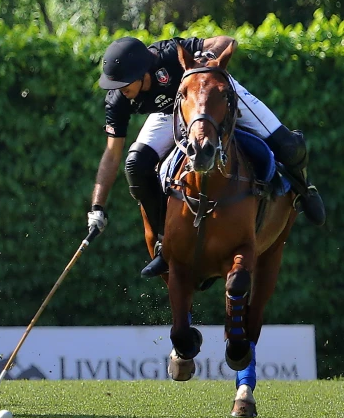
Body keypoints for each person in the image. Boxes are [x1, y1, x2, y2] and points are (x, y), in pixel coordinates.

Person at [87, 36, 326, 278]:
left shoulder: (168, 53)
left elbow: (225, 40)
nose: (119, 91)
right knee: (135, 163)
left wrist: (209, 58)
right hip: (174, 110)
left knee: (288, 146)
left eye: (124, 84)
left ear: (142, 72)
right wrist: (97, 207)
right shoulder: (118, 100)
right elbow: (111, 154)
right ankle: (164, 242)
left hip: (214, 94)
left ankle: (305, 189)